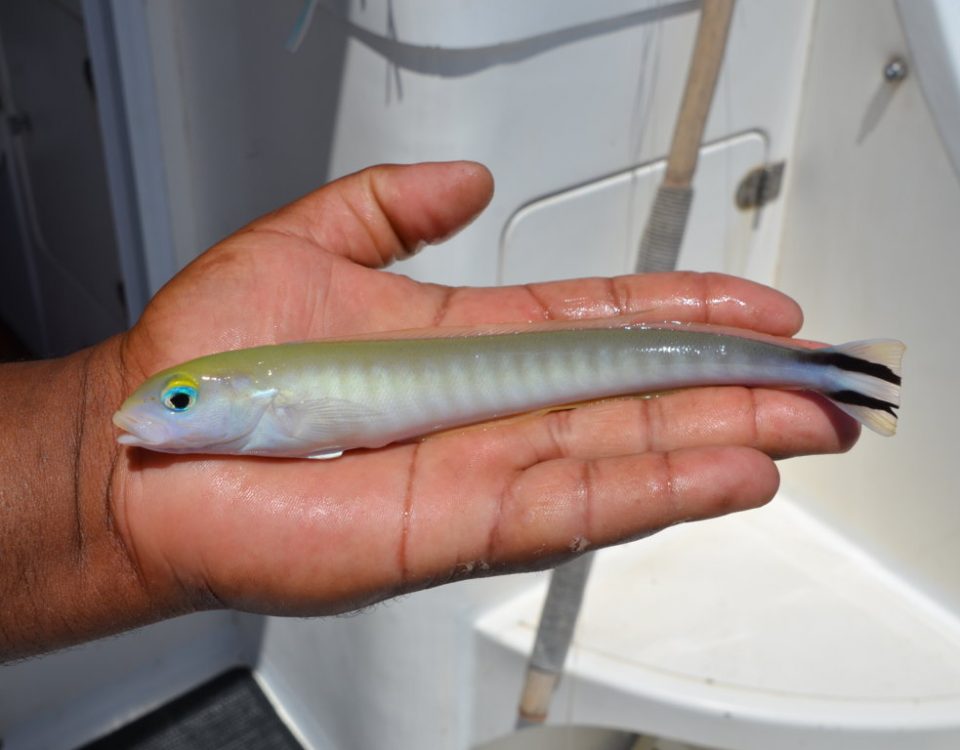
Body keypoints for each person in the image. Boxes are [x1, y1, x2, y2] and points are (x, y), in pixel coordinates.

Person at [0, 162, 857, 662]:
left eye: (180, 401)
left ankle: (825, 370)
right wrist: (93, 487)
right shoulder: (234, 415)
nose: (156, 414)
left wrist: (86, 480)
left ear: (242, 393)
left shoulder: (267, 402)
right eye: (175, 401)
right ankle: (828, 371)